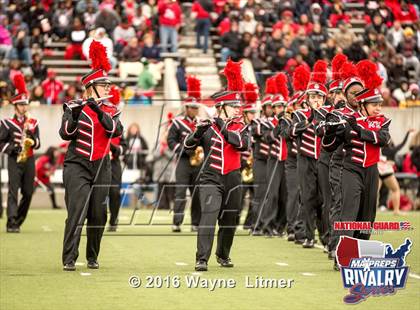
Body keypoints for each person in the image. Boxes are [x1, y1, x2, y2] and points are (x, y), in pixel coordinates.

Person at [59, 40, 123, 271]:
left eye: (108, 84)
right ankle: (69, 257)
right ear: (91, 87)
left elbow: (115, 131)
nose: (108, 88)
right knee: (77, 211)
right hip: (77, 164)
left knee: (98, 214)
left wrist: (97, 109)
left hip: (102, 166)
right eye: (103, 85)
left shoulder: (111, 110)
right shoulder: (74, 107)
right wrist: (74, 114)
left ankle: (92, 256)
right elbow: (65, 134)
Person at [323, 60, 391, 270]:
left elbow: (382, 139)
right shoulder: (346, 118)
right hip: (350, 168)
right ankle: (342, 255)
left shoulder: (382, 121)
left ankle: (361, 254)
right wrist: (331, 131)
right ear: (363, 105)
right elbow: (328, 146)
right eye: (374, 104)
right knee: (349, 212)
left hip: (371, 170)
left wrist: (359, 130)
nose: (378, 108)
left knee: (367, 215)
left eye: (379, 104)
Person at [184, 60, 249, 271]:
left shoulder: (241, 127)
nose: (238, 110)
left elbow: (241, 144)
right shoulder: (208, 126)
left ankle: (223, 254)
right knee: (209, 215)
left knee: (230, 219)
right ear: (221, 107)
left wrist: (221, 125)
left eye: (238, 106)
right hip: (210, 176)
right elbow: (187, 146)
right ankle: (201, 258)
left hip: (233, 177)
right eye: (234, 107)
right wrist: (197, 134)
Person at [290, 63, 326, 248]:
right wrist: (311, 118)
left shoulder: (330, 114)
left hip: (324, 160)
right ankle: (309, 236)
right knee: (308, 198)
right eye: (313, 96)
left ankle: (327, 237)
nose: (316, 99)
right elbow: (292, 131)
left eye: (319, 96)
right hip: (305, 159)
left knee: (324, 199)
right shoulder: (299, 114)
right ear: (308, 99)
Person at [0, 72, 40, 233]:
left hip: (29, 159)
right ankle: (11, 222)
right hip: (14, 159)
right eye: (22, 104)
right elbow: (0, 142)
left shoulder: (33, 123)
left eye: (26, 104)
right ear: (15, 106)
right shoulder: (7, 123)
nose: (25, 107)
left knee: (29, 192)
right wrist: (12, 148)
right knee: (13, 191)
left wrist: (31, 137)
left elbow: (38, 143)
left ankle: (18, 219)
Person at [167, 76, 202, 232]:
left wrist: (200, 151)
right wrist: (183, 150)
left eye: (196, 107)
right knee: (180, 192)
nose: (195, 110)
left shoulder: (201, 123)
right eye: (192, 107)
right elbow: (171, 141)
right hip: (183, 161)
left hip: (198, 161)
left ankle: (195, 223)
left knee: (197, 193)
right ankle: (177, 222)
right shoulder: (177, 122)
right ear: (186, 108)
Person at [259, 73, 289, 237]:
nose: (278, 109)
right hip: (274, 160)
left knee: (286, 195)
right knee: (273, 194)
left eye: (281, 106)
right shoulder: (267, 122)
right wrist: (279, 125)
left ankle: (280, 225)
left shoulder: (290, 120)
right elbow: (268, 138)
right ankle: (267, 225)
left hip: (288, 161)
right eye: (275, 107)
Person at [250, 77, 275, 235]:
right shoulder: (258, 122)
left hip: (274, 161)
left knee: (272, 195)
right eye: (269, 107)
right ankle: (256, 225)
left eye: (274, 107)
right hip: (260, 161)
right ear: (264, 108)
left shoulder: (281, 121)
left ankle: (269, 225)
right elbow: (259, 132)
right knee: (260, 194)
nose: (272, 109)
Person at [107, 86, 128, 232]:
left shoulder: (119, 127)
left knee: (115, 192)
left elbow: (124, 147)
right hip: (98, 161)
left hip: (114, 162)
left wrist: (115, 150)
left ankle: (114, 220)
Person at [238, 82, 258, 229]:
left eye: (254, 113)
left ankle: (249, 222)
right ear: (244, 114)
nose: (253, 116)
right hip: (241, 165)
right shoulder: (239, 127)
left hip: (254, 165)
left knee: (255, 196)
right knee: (239, 196)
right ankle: (235, 220)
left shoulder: (257, 127)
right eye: (250, 113)